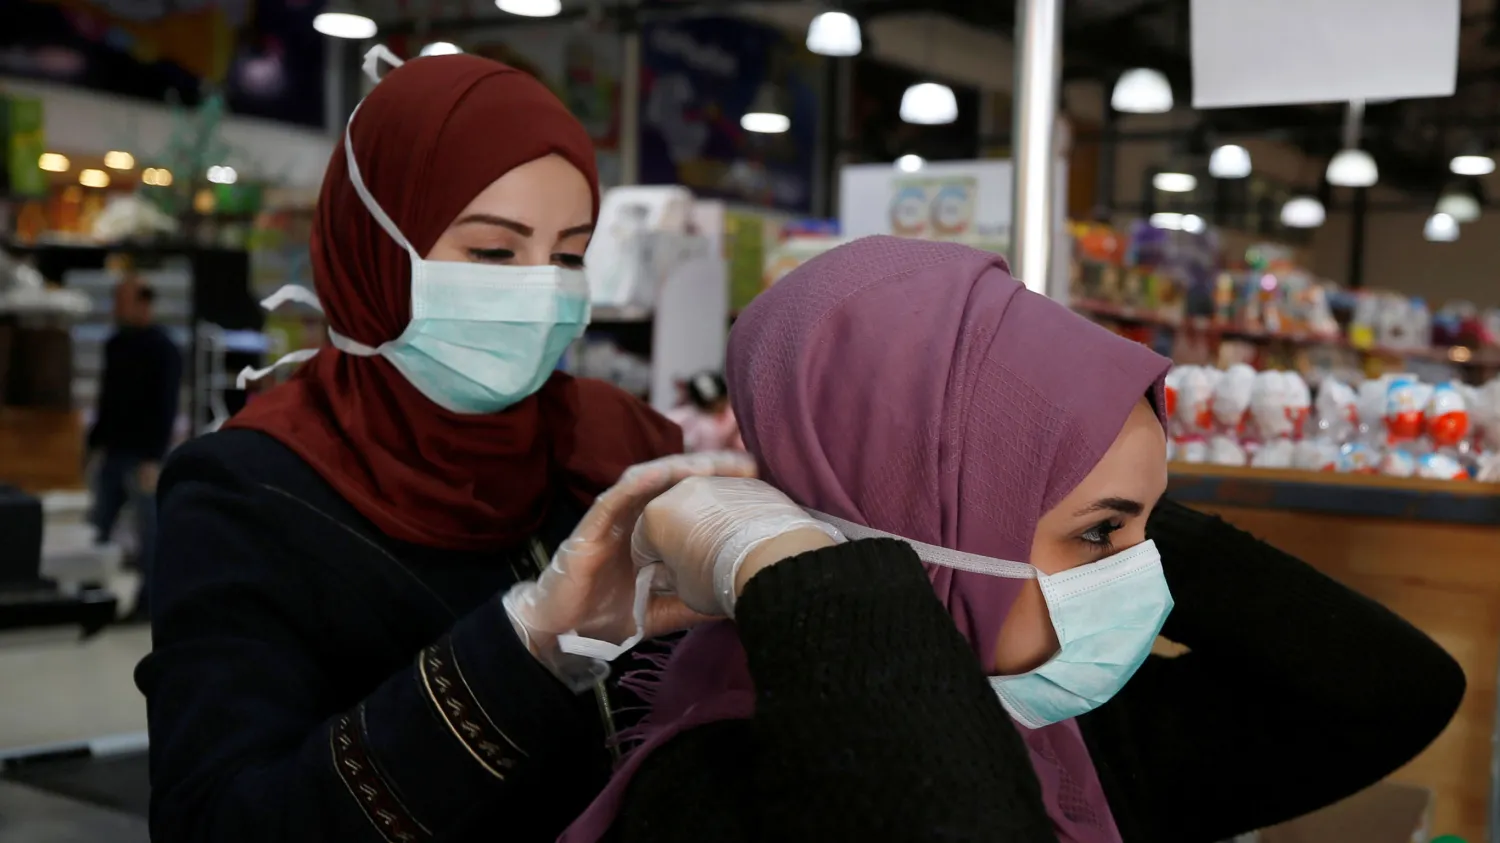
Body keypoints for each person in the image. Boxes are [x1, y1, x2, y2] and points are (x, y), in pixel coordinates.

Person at [559, 237, 1467, 843]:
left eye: (1146, 532)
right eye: (1103, 535)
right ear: (914, 528)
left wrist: (1111, 486)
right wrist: (821, 560)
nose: (1139, 580)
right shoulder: (719, 787)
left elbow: (1391, 690)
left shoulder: (1063, 726)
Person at [135, 53, 752, 843]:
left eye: (568, 254)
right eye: (495, 253)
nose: (543, 290)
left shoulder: (615, 441)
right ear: (375, 248)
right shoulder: (250, 491)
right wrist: (520, 646)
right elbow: (219, 823)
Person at [88, 272, 182, 609]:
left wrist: (154, 458)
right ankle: (91, 592)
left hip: (143, 456)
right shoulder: (116, 344)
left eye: (122, 301)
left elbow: (166, 406)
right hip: (113, 451)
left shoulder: (163, 349)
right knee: (97, 527)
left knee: (149, 534)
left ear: (143, 303)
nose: (116, 308)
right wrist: (94, 444)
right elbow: (107, 399)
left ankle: (148, 601)